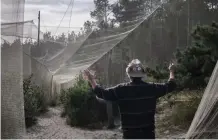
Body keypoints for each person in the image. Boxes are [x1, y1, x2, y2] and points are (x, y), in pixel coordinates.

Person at [84, 59, 176, 139]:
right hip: (148, 135)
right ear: (142, 74)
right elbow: (171, 85)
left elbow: (101, 93)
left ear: (129, 74)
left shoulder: (121, 90)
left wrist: (92, 80)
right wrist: (171, 71)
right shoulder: (151, 88)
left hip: (129, 135)